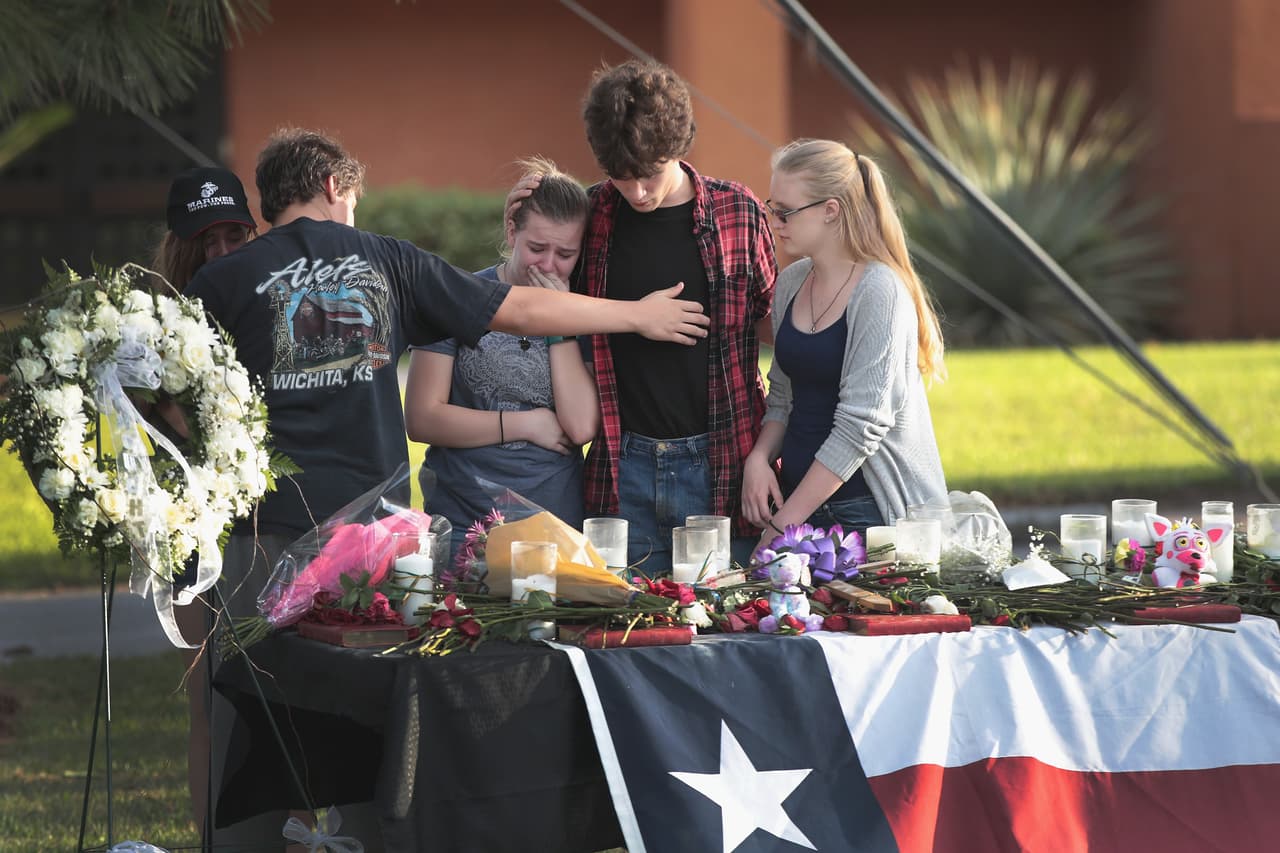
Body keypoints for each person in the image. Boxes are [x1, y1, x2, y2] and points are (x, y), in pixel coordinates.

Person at [183, 127, 708, 851]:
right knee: (368, 706)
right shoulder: (387, 259)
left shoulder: (222, 281)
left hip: (256, 527)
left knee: (247, 698)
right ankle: (370, 839)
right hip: (372, 538)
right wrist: (635, 313)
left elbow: (178, 406)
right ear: (336, 187)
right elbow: (520, 308)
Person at [511, 59, 776, 574]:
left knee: (726, 631)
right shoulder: (594, 215)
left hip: (725, 463)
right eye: (620, 176)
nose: (636, 193)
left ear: (678, 146)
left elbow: (777, 328)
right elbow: (538, 303)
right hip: (621, 466)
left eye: (649, 174)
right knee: (626, 635)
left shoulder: (738, 212)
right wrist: (523, 219)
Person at [741, 138, 948, 552]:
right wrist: (759, 459)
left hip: (866, 516)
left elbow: (858, 429)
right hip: (800, 505)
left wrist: (782, 528)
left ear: (830, 211)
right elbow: (783, 395)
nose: (773, 222)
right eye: (771, 208)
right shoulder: (791, 282)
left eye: (784, 212)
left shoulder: (880, 292)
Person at [405, 158, 598, 556]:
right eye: (536, 248)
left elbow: (580, 428)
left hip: (554, 525)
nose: (547, 265)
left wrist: (558, 321)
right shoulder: (458, 296)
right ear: (512, 232)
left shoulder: (584, 311)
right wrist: (524, 424)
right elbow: (422, 418)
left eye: (565, 254)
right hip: (463, 523)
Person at [153, 165, 257, 288]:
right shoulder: (160, 307)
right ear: (178, 251)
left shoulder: (271, 301)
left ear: (248, 236)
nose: (224, 252)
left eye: (234, 238)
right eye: (209, 242)